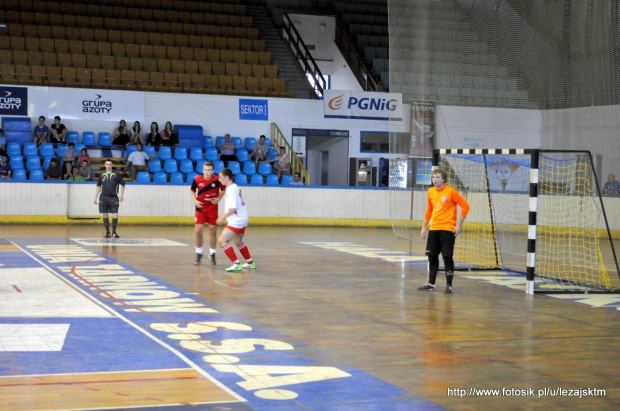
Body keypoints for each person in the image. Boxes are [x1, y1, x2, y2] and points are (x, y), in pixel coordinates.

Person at [418, 168, 470, 294]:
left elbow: (465, 206)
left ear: (444, 179)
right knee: (432, 256)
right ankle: (431, 283)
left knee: (447, 256)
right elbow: (429, 210)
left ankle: (449, 285)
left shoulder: (451, 192)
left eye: (438, 177)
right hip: (434, 228)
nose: (435, 180)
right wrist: (424, 226)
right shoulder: (430, 192)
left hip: (447, 229)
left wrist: (459, 225)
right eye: (434, 177)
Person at [216, 167, 255, 272]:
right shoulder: (235, 187)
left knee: (222, 241)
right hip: (243, 218)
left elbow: (233, 209)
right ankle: (250, 262)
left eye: (220, 177)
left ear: (227, 178)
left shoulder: (231, 189)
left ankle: (236, 264)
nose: (219, 179)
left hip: (237, 220)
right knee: (237, 241)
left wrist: (221, 218)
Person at [190, 161, 226, 266]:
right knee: (198, 230)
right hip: (200, 207)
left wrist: (219, 198)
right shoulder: (197, 179)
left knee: (212, 230)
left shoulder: (217, 180)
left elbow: (223, 190)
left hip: (212, 208)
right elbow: (192, 191)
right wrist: (195, 201)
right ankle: (199, 252)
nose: (206, 172)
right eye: (205, 170)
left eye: (209, 170)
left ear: (213, 171)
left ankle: (212, 253)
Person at [94, 159, 126, 238]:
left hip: (114, 197)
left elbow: (123, 184)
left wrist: (121, 195)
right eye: (107, 164)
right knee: (105, 214)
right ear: (104, 165)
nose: (108, 165)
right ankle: (107, 232)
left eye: (110, 164)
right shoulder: (101, 174)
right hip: (103, 197)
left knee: (115, 215)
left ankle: (114, 232)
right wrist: (95, 197)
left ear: (112, 165)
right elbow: (98, 186)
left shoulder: (116, 174)